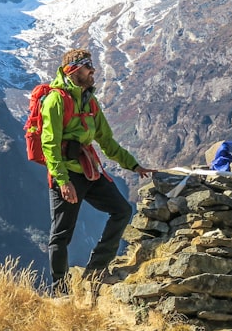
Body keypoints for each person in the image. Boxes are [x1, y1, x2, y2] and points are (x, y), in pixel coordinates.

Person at [40, 49, 153, 292]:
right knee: (61, 235)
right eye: (87, 66)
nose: (93, 71)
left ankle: (96, 269)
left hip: (89, 170)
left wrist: (133, 164)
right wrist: (62, 181)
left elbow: (106, 140)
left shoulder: (89, 100)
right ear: (73, 70)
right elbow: (49, 145)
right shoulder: (55, 101)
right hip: (68, 175)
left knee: (122, 210)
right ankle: (60, 290)